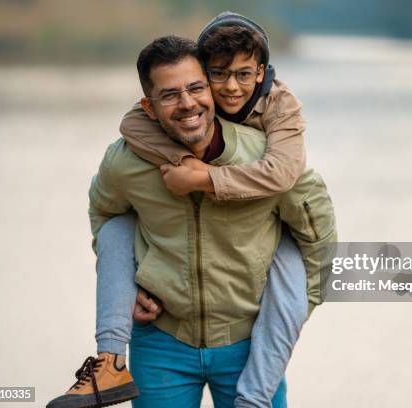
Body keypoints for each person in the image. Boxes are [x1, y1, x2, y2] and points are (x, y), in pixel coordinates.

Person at [47, 14, 335, 408]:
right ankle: (109, 362)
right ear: (149, 106)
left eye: (195, 88)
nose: (187, 103)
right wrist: (128, 284)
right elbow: (104, 214)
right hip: (161, 344)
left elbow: (318, 235)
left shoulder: (266, 155)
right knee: (118, 228)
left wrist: (295, 310)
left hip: (249, 344)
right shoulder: (126, 160)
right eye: (170, 95)